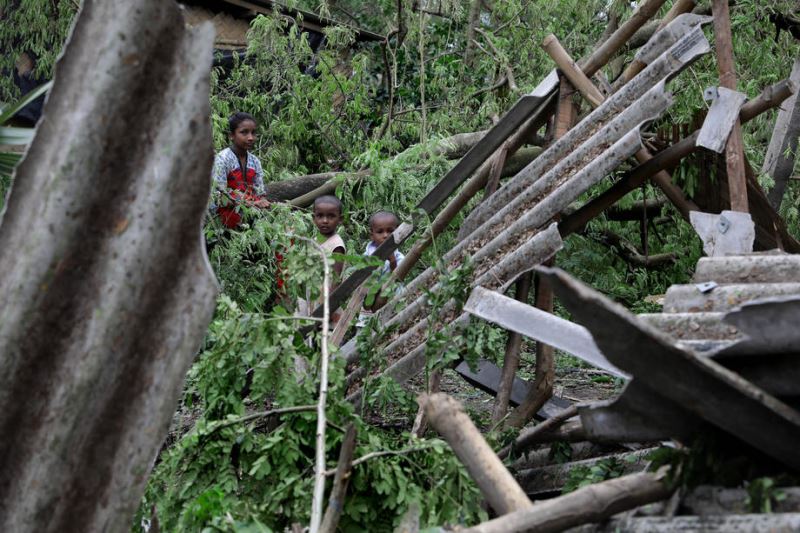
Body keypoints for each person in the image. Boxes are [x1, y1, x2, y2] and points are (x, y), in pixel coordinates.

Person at [212, 112, 270, 228]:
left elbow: (259, 192)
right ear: (231, 135)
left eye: (253, 133)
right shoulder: (222, 159)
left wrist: (263, 201)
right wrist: (248, 203)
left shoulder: (255, 161)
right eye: (244, 132)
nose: (250, 138)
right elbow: (218, 197)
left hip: (252, 214)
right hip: (225, 216)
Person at [358, 211, 404, 328]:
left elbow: (398, 279)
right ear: (372, 235)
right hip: (369, 305)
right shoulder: (367, 257)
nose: (385, 235)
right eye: (380, 232)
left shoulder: (400, 258)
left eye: (390, 231)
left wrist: (393, 263)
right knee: (365, 334)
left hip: (392, 302)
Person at [312, 195, 346, 281]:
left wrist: (326, 295)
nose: (325, 221)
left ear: (340, 219)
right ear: (313, 218)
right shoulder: (315, 239)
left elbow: (335, 278)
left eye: (331, 216)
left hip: (327, 293)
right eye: (320, 216)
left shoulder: (336, 245)